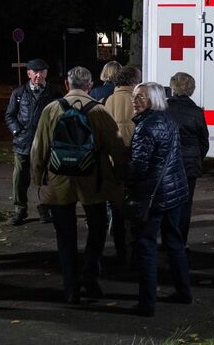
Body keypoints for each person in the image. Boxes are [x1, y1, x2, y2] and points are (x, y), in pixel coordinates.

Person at [30, 66, 126, 304]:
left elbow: (38, 149)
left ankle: (71, 288)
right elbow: (116, 147)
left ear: (66, 85)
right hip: (94, 180)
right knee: (97, 228)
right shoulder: (99, 111)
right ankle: (90, 275)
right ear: (90, 85)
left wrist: (38, 182)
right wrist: (119, 178)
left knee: (65, 235)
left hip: (58, 179)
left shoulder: (51, 110)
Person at [128, 81, 192, 317]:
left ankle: (146, 303)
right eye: (134, 96)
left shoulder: (145, 127)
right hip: (175, 192)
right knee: (174, 243)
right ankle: (184, 292)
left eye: (141, 96)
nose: (135, 100)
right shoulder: (169, 120)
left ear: (153, 99)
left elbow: (138, 167)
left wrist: (124, 177)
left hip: (153, 196)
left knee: (146, 247)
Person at [4, 58, 61, 225]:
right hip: (23, 142)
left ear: (46, 73)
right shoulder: (19, 93)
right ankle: (19, 210)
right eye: (35, 72)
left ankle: (45, 208)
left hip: (46, 142)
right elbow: (9, 115)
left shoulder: (53, 93)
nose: (38, 75)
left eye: (41, 71)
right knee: (20, 177)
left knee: (45, 177)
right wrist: (17, 131)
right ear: (28, 73)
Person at [165, 72, 210, 247]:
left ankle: (167, 239)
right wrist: (197, 158)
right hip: (189, 165)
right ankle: (180, 241)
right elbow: (203, 142)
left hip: (167, 163)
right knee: (185, 204)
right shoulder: (197, 112)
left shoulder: (164, 109)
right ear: (191, 89)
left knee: (167, 202)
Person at [103, 65, 141, 263]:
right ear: (133, 81)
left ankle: (119, 250)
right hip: (132, 160)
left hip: (112, 160)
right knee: (133, 207)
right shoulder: (138, 99)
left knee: (116, 205)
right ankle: (133, 252)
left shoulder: (108, 100)